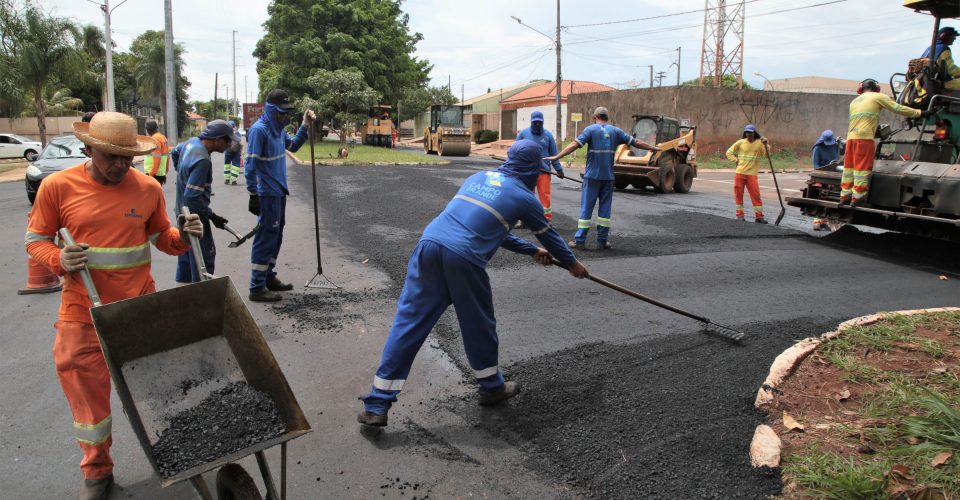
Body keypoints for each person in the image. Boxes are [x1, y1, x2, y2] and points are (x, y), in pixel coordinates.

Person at [25, 111, 203, 500]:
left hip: (137, 309)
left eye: (128, 158)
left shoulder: (146, 188)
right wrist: (59, 260)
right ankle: (97, 472)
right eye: (112, 158)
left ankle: (181, 452)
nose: (122, 166)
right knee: (89, 403)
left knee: (160, 390)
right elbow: (36, 239)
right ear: (88, 149)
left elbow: (161, 236)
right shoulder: (57, 187)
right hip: (82, 314)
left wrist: (183, 238)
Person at [358, 140, 589, 427]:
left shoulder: (477, 178)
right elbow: (549, 236)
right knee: (478, 324)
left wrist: (530, 251)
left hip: (429, 245)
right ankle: (492, 387)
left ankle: (376, 405)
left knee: (409, 323)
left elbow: (487, 227)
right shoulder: (524, 197)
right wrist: (572, 264)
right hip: (463, 259)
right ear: (531, 170)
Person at [545, 106, 659, 249]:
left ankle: (579, 241)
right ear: (607, 118)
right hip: (608, 178)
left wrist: (557, 156)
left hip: (592, 177)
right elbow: (636, 142)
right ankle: (602, 241)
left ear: (595, 117)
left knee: (586, 208)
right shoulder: (616, 131)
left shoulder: (590, 130)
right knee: (604, 211)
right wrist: (653, 148)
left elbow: (575, 144)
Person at [244, 89, 315, 302]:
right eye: (281, 112)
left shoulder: (278, 130)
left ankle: (268, 277)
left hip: (279, 192)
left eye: (287, 112)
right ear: (271, 109)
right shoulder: (260, 130)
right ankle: (256, 286)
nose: (284, 116)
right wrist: (252, 193)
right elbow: (250, 165)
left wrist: (304, 126)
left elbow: (293, 146)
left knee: (276, 236)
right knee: (266, 237)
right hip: (266, 194)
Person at [841, 79, 925, 206]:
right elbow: (898, 108)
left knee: (849, 169)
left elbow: (863, 120)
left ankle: (845, 196)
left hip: (851, 139)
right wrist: (920, 113)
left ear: (861, 88)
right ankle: (857, 198)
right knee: (862, 169)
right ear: (876, 88)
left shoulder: (854, 102)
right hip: (864, 139)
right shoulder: (878, 96)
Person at [174, 119, 238, 283]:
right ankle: (200, 297)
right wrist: (212, 216)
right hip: (195, 219)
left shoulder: (190, 143)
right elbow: (192, 197)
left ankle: (185, 298)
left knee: (187, 257)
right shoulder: (203, 160)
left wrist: (181, 177)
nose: (230, 144)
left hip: (181, 214)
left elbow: (175, 152)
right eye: (228, 140)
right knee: (203, 261)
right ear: (217, 139)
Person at [515, 110, 564, 228]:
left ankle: (545, 221)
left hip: (544, 172)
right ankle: (523, 220)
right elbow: (515, 151)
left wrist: (559, 169)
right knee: (526, 196)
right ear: (531, 121)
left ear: (543, 122)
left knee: (545, 196)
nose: (537, 125)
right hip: (528, 171)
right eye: (535, 122)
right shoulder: (523, 134)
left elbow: (554, 155)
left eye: (540, 122)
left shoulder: (548, 135)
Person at [725, 124, 770, 224]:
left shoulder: (759, 143)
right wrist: (735, 160)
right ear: (745, 133)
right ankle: (740, 215)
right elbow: (729, 152)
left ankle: (759, 217)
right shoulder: (741, 142)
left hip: (752, 174)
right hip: (740, 173)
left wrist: (766, 144)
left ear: (754, 133)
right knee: (738, 194)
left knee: (756, 195)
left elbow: (766, 155)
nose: (749, 134)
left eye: (750, 133)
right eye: (747, 133)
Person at [811, 130, 839, 231]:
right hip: (822, 176)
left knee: (830, 200)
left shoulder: (835, 146)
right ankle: (817, 223)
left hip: (833, 176)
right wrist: (824, 173)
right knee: (821, 199)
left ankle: (823, 222)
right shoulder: (818, 148)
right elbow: (815, 165)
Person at [143, 119, 170, 186]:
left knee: (152, 195)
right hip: (160, 172)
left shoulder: (155, 139)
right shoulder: (163, 137)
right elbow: (167, 156)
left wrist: (151, 174)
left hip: (154, 173)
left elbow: (156, 158)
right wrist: (166, 170)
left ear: (147, 129)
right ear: (156, 127)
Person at [223, 120, 243, 185]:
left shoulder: (226, 134)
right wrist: (241, 151)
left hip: (228, 151)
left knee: (227, 165)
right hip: (236, 152)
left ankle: (227, 179)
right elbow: (241, 143)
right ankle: (234, 180)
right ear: (235, 126)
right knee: (236, 166)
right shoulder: (238, 134)